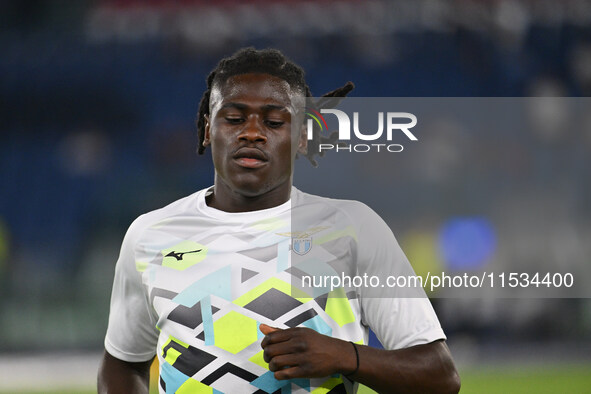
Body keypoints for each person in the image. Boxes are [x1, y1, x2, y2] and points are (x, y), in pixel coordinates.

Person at [98, 47, 460, 394]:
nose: (252, 132)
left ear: (302, 136)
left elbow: (439, 376)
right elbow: (124, 363)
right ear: (208, 130)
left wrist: (346, 357)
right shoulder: (150, 235)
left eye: (273, 121)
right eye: (234, 118)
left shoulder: (353, 228)